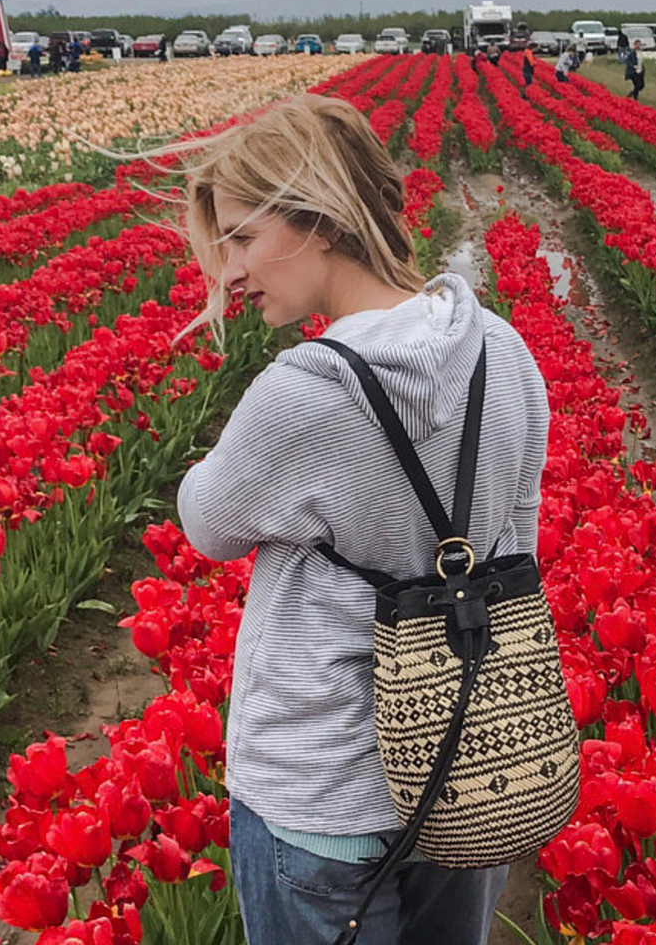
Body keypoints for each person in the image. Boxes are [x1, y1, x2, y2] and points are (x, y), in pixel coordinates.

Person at [174, 93, 550, 945]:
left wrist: (226, 452)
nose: (229, 272)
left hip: (321, 798)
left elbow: (208, 523)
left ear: (323, 220)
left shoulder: (304, 392)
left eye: (242, 238)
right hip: (471, 768)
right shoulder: (504, 351)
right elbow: (517, 548)